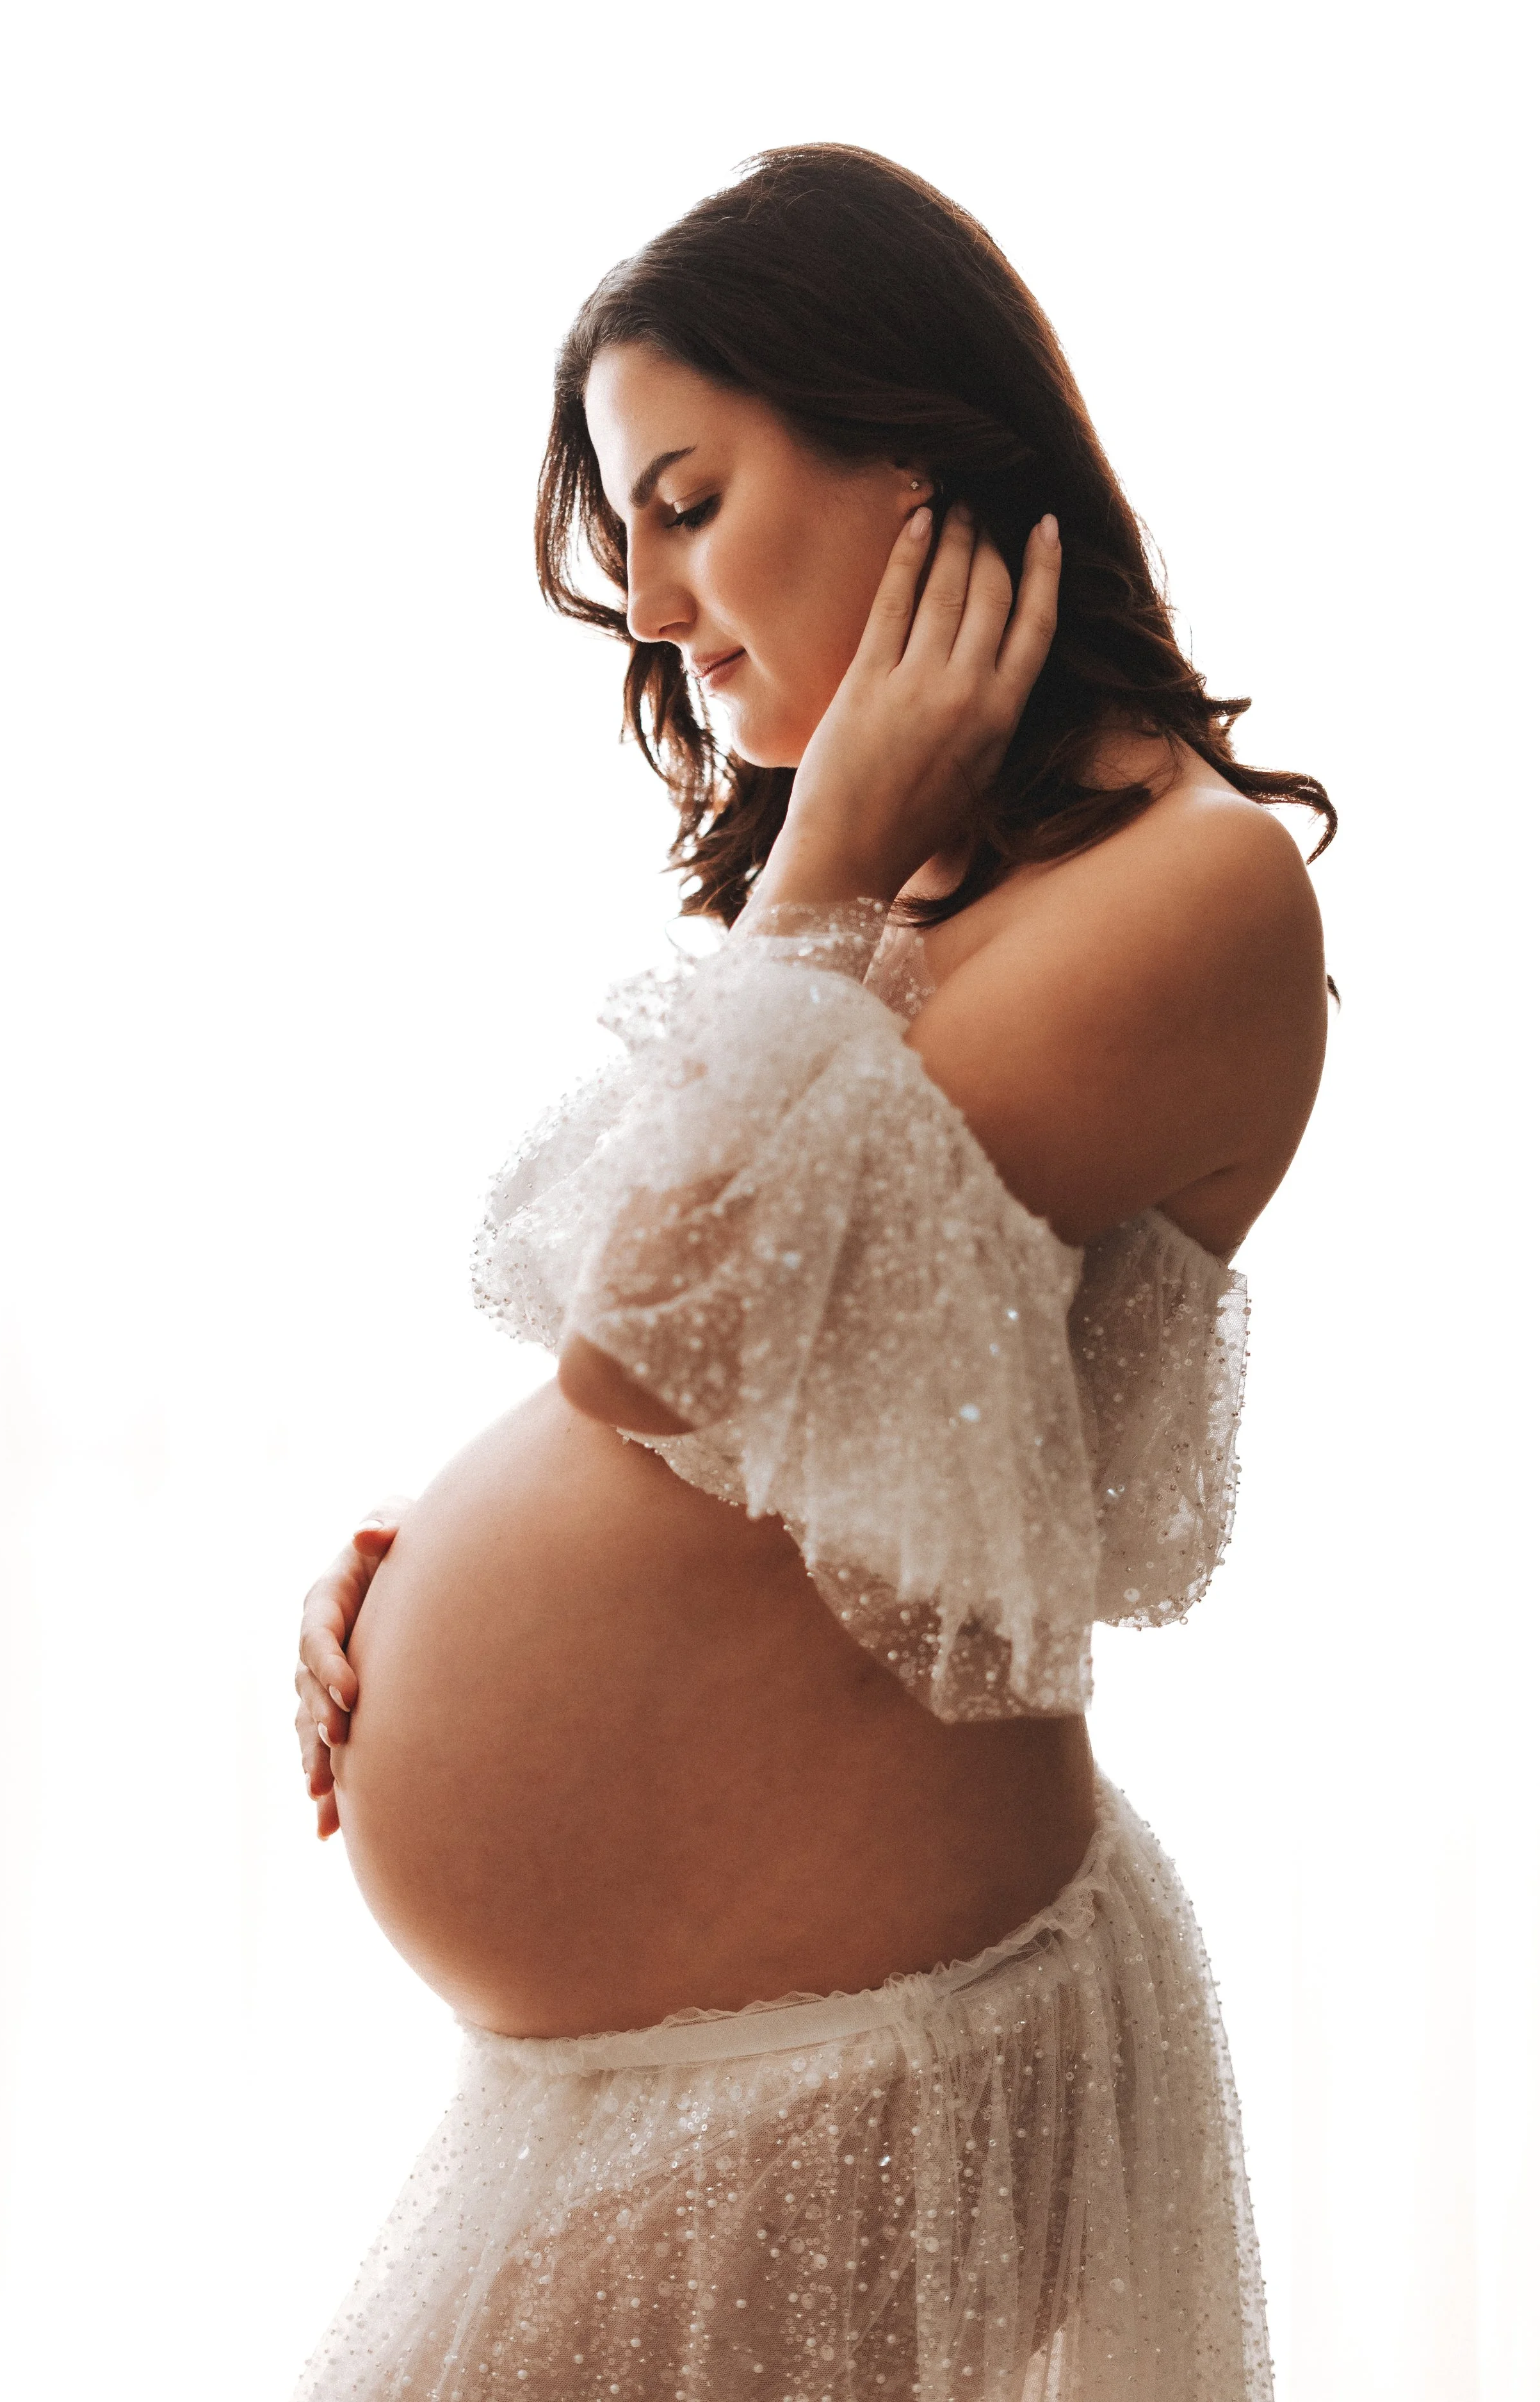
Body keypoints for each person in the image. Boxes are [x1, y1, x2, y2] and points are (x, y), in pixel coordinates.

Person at [290, 144, 1331, 2401]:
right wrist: (414, 1576)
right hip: (711, 2046)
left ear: (917, 463)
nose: (653, 609)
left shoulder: (1191, 891)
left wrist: (831, 848)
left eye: (684, 499)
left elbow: (659, 1346)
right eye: (622, 541)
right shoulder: (928, 908)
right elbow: (740, 1426)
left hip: (861, 2060)